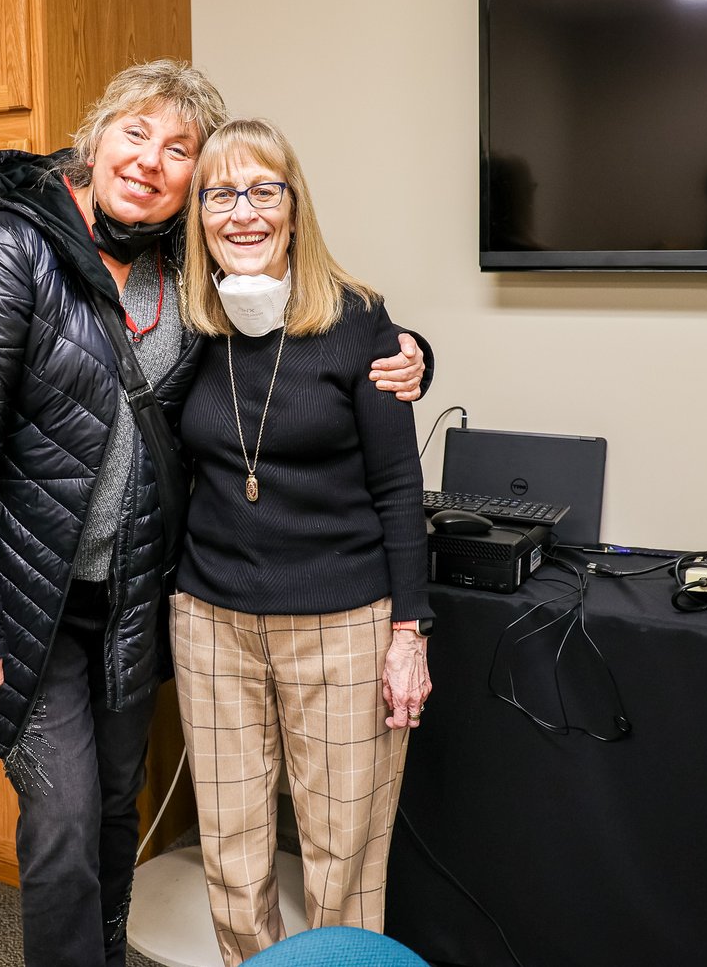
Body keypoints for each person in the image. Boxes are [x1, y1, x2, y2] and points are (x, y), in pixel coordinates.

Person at [0, 63, 428, 967]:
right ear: (96, 138)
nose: (152, 162)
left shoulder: (186, 277)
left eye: (180, 152)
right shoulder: (16, 253)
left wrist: (409, 354)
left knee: (120, 806)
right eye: (137, 134)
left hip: (129, 604)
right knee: (65, 818)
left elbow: (305, 348)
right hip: (32, 604)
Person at [173, 117, 434, 966]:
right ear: (198, 216)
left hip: (343, 621)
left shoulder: (359, 322)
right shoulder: (184, 326)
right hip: (211, 620)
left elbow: (400, 486)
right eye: (219, 194)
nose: (241, 212)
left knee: (344, 852)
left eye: (263, 190)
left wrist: (409, 634)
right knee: (232, 849)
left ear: (293, 206)